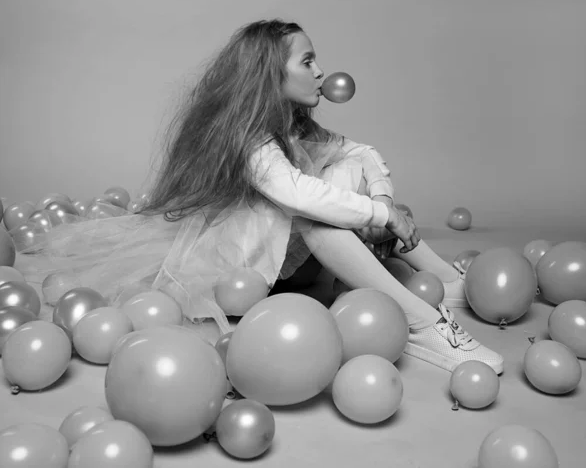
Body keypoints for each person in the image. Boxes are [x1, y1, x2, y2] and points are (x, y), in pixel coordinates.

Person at [21, 19, 503, 375]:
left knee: (349, 168)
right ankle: (420, 322)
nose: (322, 73)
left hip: (284, 255)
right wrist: (383, 214)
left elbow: (360, 151)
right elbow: (292, 192)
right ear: (272, 76)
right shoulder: (248, 135)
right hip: (240, 263)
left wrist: (384, 199)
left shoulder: (293, 123)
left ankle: (444, 280)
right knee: (313, 212)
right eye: (308, 61)